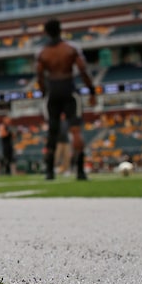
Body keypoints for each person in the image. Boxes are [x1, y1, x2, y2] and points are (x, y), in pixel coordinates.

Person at [35, 18, 97, 180]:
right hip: (69, 88)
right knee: (75, 130)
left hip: (53, 90)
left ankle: (49, 171)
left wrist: (44, 93)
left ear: (46, 32)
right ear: (61, 30)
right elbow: (83, 70)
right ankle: (80, 170)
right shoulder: (70, 48)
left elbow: (40, 76)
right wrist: (92, 92)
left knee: (52, 131)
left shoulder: (42, 53)